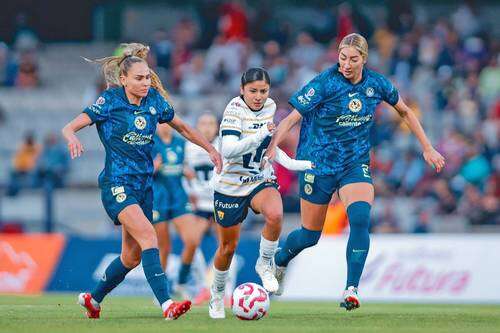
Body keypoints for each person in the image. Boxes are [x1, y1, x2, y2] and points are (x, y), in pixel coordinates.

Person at [264, 33, 445, 311]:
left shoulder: (376, 84)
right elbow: (292, 118)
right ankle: (279, 259)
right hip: (317, 163)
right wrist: (273, 147)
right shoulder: (325, 82)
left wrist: (428, 147)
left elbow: (406, 111)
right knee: (310, 235)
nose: (346, 64)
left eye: (353, 59)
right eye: (342, 57)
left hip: (354, 164)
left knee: (360, 218)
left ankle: (351, 289)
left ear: (364, 59)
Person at [61, 43, 222, 320]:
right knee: (150, 236)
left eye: (148, 77)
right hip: (117, 184)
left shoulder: (154, 102)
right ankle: (167, 304)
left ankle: (93, 299)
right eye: (139, 78)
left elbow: (182, 127)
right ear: (123, 79)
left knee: (131, 257)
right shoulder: (109, 101)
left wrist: (209, 147)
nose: (145, 82)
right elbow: (70, 125)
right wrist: (71, 135)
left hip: (145, 187)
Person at [208, 68, 312, 319]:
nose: (258, 96)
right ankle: (217, 294)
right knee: (227, 248)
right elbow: (230, 151)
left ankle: (265, 263)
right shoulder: (233, 112)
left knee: (275, 213)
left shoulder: (271, 107)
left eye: (263, 91)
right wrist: (261, 134)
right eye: (252, 91)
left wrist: (297, 164)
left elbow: (269, 149)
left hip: (258, 178)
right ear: (242, 90)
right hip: (230, 186)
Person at [151, 122, 207, 299]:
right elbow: (141, 171)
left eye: (167, 122)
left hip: (179, 198)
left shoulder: (181, 143)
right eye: (160, 122)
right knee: (164, 247)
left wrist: (188, 173)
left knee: (192, 239)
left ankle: (181, 282)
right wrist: (152, 168)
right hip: (158, 199)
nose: (164, 126)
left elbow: (188, 167)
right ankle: (160, 292)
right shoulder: (149, 142)